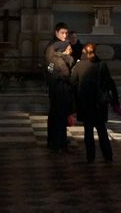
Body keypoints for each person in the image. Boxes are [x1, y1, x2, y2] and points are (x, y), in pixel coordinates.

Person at [71, 42, 118, 162]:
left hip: (85, 104)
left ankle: (90, 156)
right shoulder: (102, 65)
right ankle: (108, 155)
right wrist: (115, 100)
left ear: (83, 52)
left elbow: (72, 83)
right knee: (102, 131)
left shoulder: (79, 66)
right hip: (99, 104)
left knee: (88, 132)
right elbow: (110, 83)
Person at [44, 23, 74, 153]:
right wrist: (68, 57)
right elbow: (63, 72)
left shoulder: (53, 48)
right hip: (59, 87)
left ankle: (55, 141)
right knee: (59, 116)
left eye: (66, 33)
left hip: (56, 86)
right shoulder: (54, 47)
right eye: (62, 33)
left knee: (56, 115)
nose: (65, 36)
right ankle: (58, 143)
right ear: (56, 32)